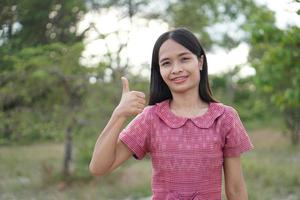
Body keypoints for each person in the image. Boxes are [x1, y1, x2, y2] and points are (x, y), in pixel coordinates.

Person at [89, 27, 254, 200]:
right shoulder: (151, 118)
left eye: (184, 59)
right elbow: (99, 168)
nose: (176, 69)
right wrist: (119, 115)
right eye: (166, 63)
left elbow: (235, 189)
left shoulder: (225, 117)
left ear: (200, 62)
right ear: (159, 70)